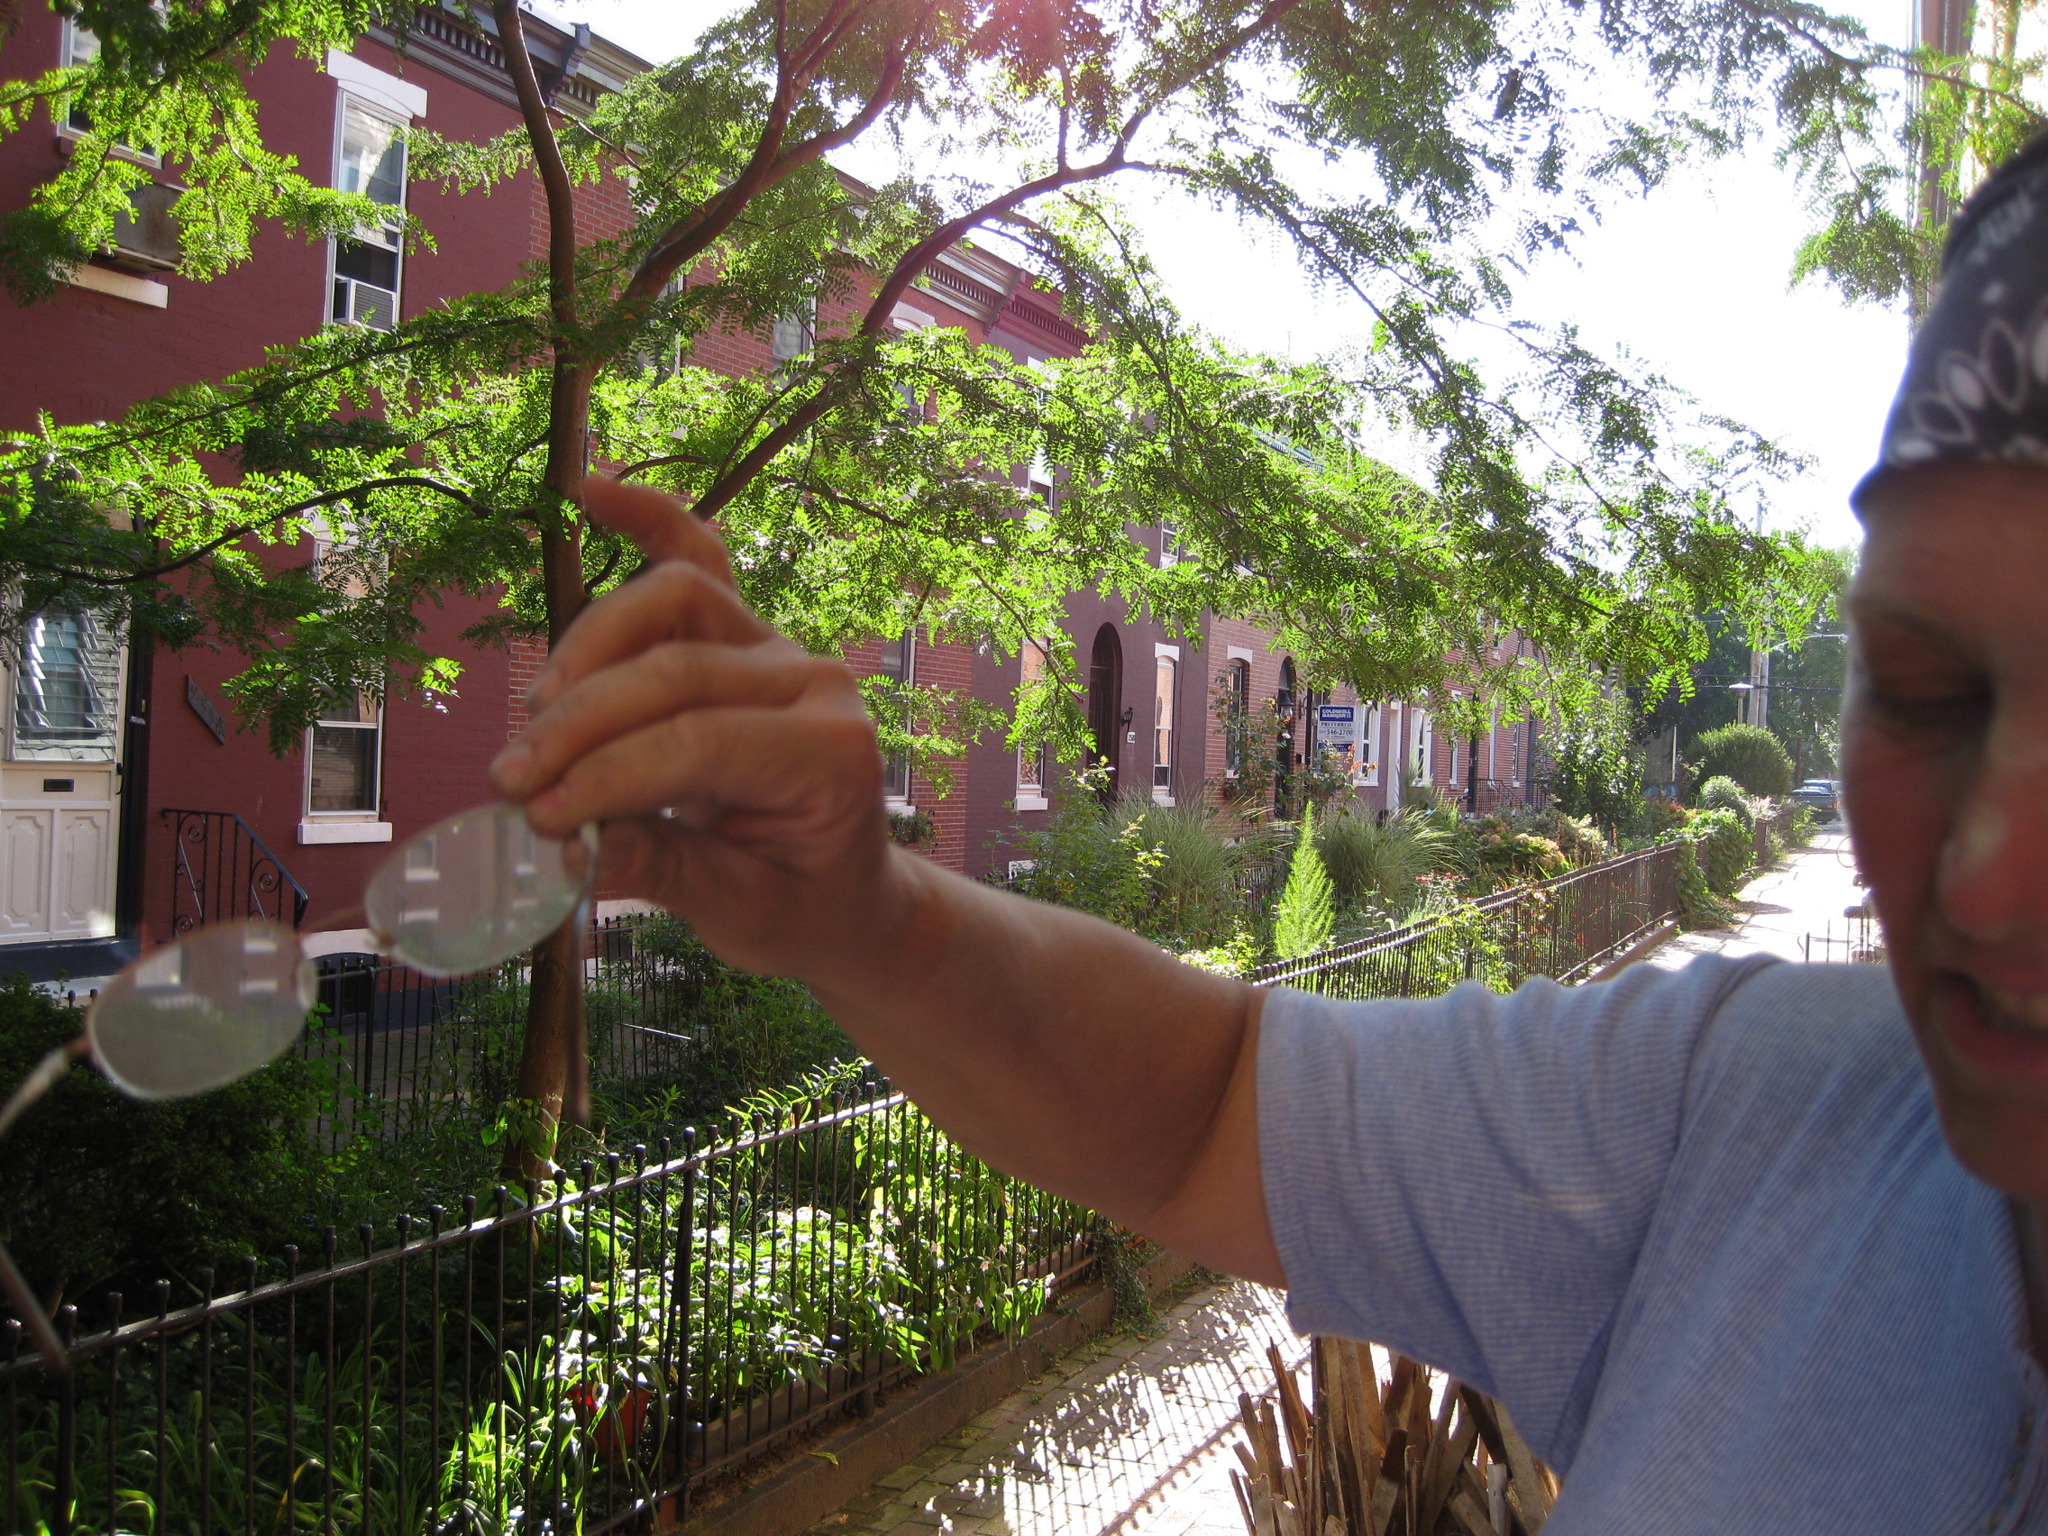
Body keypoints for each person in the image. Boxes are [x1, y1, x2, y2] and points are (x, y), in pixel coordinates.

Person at [490, 137, 2048, 1532]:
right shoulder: (1761, 1110)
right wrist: (863, 919)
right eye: (1927, 696)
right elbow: (1209, 1106)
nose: (1986, 872)